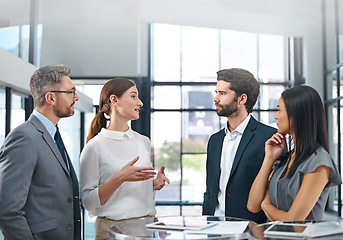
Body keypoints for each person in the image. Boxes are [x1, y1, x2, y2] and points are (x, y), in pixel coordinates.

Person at [80, 78, 170, 240]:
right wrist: (119, 178)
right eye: (133, 96)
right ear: (114, 100)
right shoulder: (94, 147)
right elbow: (87, 202)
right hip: (112, 230)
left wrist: (152, 186)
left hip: (146, 227)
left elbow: (129, 191)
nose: (140, 102)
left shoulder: (144, 141)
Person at [0, 65, 81, 239]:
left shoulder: (53, 135)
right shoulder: (24, 137)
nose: (76, 97)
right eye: (71, 92)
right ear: (51, 97)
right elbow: (8, 210)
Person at [247, 85, 342, 221]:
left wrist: (266, 204)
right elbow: (252, 205)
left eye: (279, 110)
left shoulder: (319, 162)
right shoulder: (287, 158)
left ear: (297, 114)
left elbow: (293, 222)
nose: (275, 116)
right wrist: (269, 158)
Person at [202, 68, 277, 224]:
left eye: (222, 93)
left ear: (242, 99)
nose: (216, 98)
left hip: (251, 230)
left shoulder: (269, 138)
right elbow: (210, 191)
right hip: (214, 228)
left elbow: (275, 192)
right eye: (216, 92)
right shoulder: (215, 140)